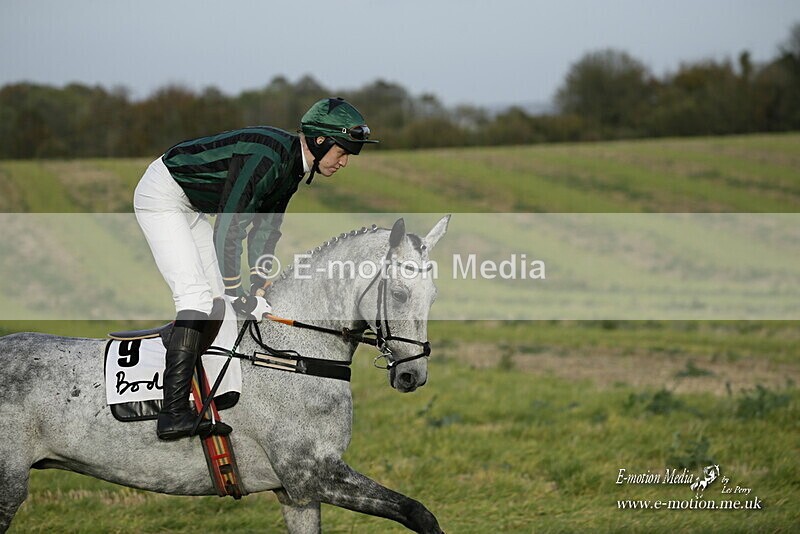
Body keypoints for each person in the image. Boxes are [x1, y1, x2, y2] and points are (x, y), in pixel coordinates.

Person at [133, 97, 378, 440]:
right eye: (343, 151)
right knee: (197, 299)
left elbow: (265, 231)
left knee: (220, 302)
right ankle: (172, 412)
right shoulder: (267, 159)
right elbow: (229, 230)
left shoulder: (292, 168)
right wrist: (238, 292)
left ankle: (216, 396)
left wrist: (258, 286)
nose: (345, 162)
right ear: (320, 141)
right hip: (163, 195)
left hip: (191, 206)